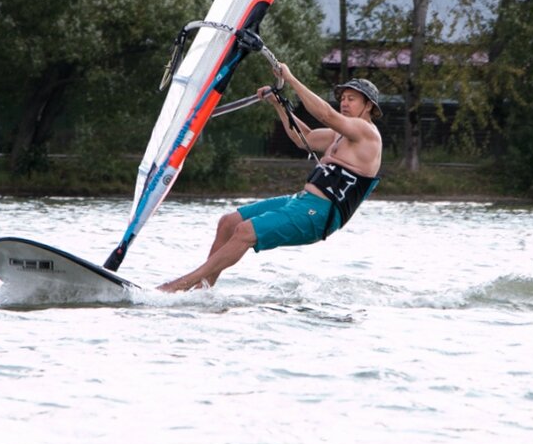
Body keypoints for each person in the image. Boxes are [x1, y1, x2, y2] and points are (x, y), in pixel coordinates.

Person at [157, 63, 383, 292]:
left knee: (245, 231)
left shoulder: (367, 133)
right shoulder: (339, 135)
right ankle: (202, 292)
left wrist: (291, 79)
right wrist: (278, 104)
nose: (344, 102)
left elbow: (325, 114)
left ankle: (178, 285)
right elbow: (303, 137)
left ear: (368, 106)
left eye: (351, 99)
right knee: (229, 222)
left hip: (321, 215)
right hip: (302, 201)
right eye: (343, 98)